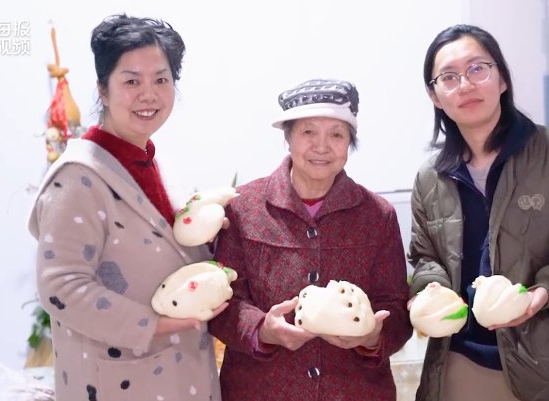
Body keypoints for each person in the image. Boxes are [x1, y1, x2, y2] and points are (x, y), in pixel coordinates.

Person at [407, 24, 549, 401]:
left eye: (478, 68)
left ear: (502, 80)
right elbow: (425, 257)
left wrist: (546, 291)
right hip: (462, 363)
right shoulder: (430, 178)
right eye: (449, 77)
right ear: (434, 95)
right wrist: (428, 287)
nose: (465, 84)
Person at [28, 14, 224, 401]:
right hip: (120, 379)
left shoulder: (148, 160)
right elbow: (60, 287)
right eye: (131, 81)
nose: (148, 94)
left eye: (161, 80)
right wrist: (154, 324)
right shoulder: (78, 177)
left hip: (176, 373)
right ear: (103, 89)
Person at [208, 79, 412, 401]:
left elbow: (397, 308)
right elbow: (222, 303)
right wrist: (263, 330)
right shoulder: (242, 208)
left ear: (349, 143)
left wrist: (373, 336)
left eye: (336, 134)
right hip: (260, 391)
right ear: (288, 137)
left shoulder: (378, 215)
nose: (322, 146)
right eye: (308, 132)